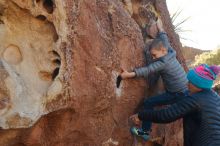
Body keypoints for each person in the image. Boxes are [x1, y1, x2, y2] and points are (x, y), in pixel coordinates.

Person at [120, 18, 188, 140]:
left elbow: (148, 69)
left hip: (176, 94)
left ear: (162, 51)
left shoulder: (162, 63)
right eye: (152, 55)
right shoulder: (169, 50)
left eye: (154, 55)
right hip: (185, 89)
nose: (153, 58)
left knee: (148, 102)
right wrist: (160, 27)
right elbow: (164, 37)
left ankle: (145, 132)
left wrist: (129, 74)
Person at [130, 64, 220, 146]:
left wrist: (141, 115)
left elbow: (166, 115)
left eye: (190, 82)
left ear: (198, 85)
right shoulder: (215, 96)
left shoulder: (195, 100)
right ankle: (145, 132)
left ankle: (144, 132)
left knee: (149, 102)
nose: (187, 84)